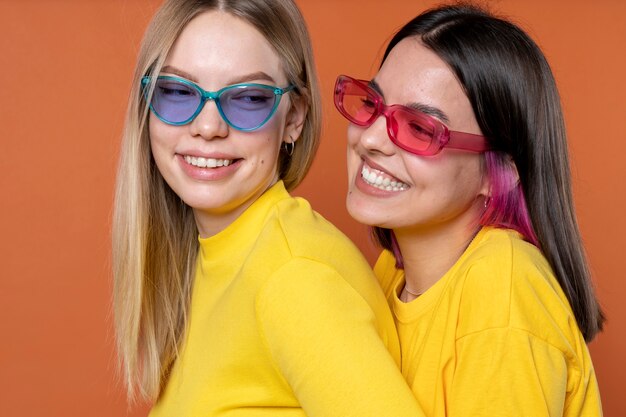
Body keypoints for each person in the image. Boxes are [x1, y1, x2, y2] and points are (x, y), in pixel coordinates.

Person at [112, 0, 424, 416]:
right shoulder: (215, 255)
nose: (207, 127)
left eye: (248, 98)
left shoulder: (296, 276)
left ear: (294, 118)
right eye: (177, 91)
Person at [334, 4, 604, 416]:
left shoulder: (502, 300)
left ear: (502, 169)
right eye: (373, 103)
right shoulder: (395, 271)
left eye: (420, 128)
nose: (371, 138)